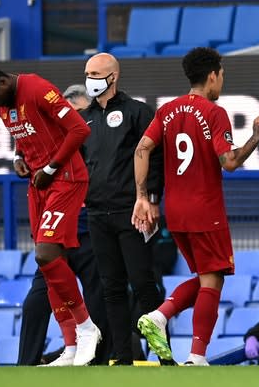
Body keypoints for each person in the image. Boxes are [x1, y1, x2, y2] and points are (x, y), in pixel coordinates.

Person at [131, 47, 259, 366]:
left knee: (210, 276)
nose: (222, 82)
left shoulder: (167, 111)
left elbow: (142, 148)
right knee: (213, 279)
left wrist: (142, 195)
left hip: (175, 212)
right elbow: (229, 162)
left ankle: (162, 318)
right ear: (212, 76)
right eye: (222, 76)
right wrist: (257, 137)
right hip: (204, 210)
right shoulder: (213, 112)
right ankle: (194, 353)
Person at [0, 63, 101, 366]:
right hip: (38, 184)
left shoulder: (38, 88)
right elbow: (23, 132)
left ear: (3, 81)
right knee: (54, 265)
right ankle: (69, 347)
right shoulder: (2, 100)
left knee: (46, 255)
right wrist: (18, 156)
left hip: (65, 178)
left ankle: (86, 328)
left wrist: (51, 167)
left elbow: (80, 129)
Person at [80, 53, 169, 366]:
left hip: (133, 212)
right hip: (96, 213)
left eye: (94, 73)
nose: (89, 78)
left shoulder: (138, 112)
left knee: (143, 281)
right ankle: (123, 356)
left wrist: (152, 199)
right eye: (87, 72)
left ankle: (164, 354)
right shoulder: (84, 118)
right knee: (111, 287)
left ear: (113, 76)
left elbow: (155, 157)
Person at [17, 84, 111, 366]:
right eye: (71, 114)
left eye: (81, 113)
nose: (76, 120)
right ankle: (26, 365)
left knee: (99, 298)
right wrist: (18, 157)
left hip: (90, 230)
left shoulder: (99, 142)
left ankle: (98, 363)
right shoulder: (54, 143)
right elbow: (24, 135)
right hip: (57, 231)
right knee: (36, 300)